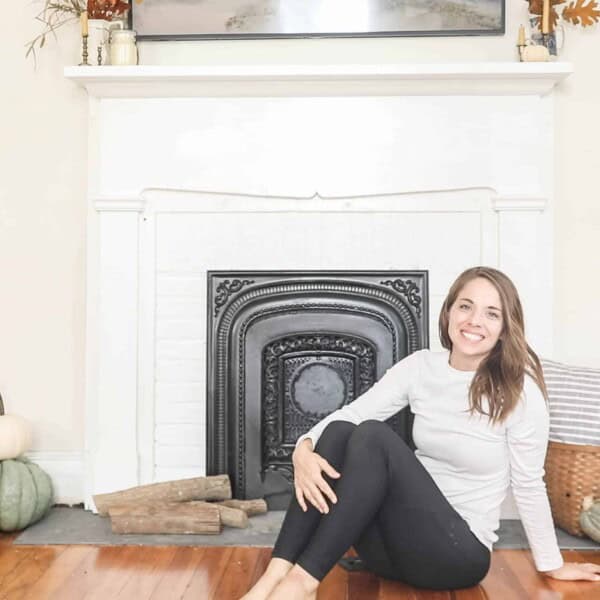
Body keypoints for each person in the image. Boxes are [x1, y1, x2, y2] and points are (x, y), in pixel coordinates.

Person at [242, 266, 600, 600]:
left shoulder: (519, 391)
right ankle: (275, 575)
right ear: (448, 313)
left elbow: (529, 483)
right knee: (339, 431)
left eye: (492, 313)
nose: (474, 321)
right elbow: (350, 414)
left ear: (506, 328)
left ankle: (302, 583)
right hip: (391, 552)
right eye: (466, 306)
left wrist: (551, 564)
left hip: (455, 555)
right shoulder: (421, 367)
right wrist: (302, 449)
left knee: (372, 436)